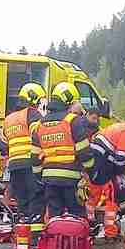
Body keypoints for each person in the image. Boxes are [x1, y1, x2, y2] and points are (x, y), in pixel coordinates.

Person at [32, 81, 96, 220]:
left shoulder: (39, 125)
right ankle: (76, 242)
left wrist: (39, 178)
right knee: (77, 217)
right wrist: (91, 172)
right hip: (71, 180)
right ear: (68, 101)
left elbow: (35, 157)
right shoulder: (73, 121)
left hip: (49, 180)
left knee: (55, 218)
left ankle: (56, 241)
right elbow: (84, 152)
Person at [86, 115, 125, 237]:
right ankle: (110, 233)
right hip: (103, 165)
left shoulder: (120, 126)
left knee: (93, 195)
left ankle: (87, 223)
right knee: (112, 197)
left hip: (94, 163)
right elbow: (120, 158)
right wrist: (121, 173)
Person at [1, 82, 45, 223]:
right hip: (29, 163)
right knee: (35, 198)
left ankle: (23, 235)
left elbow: (3, 143)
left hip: (14, 164)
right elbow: (38, 134)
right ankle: (34, 234)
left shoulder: (8, 119)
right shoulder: (32, 113)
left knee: (22, 201)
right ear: (33, 98)